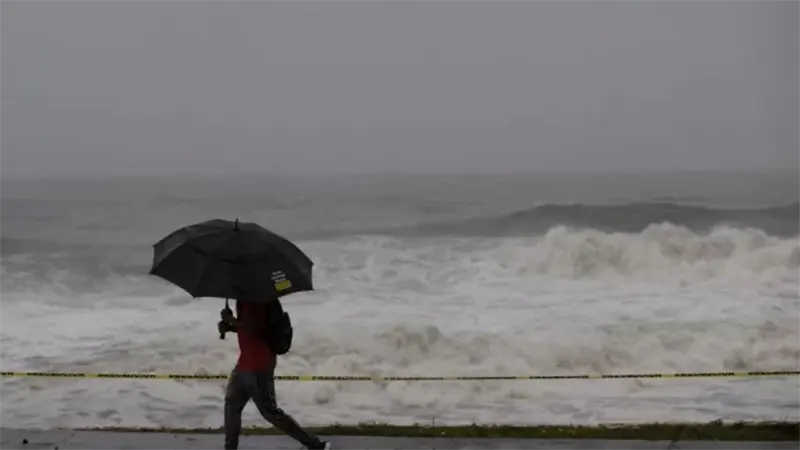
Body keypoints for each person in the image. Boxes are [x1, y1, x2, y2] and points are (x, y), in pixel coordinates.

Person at [218, 299, 331, 450]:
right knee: (231, 405)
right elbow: (248, 328)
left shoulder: (256, 300)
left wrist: (231, 320)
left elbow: (254, 327)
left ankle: (314, 445)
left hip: (260, 364)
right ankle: (230, 447)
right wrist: (230, 327)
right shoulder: (243, 299)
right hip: (244, 362)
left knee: (270, 412)